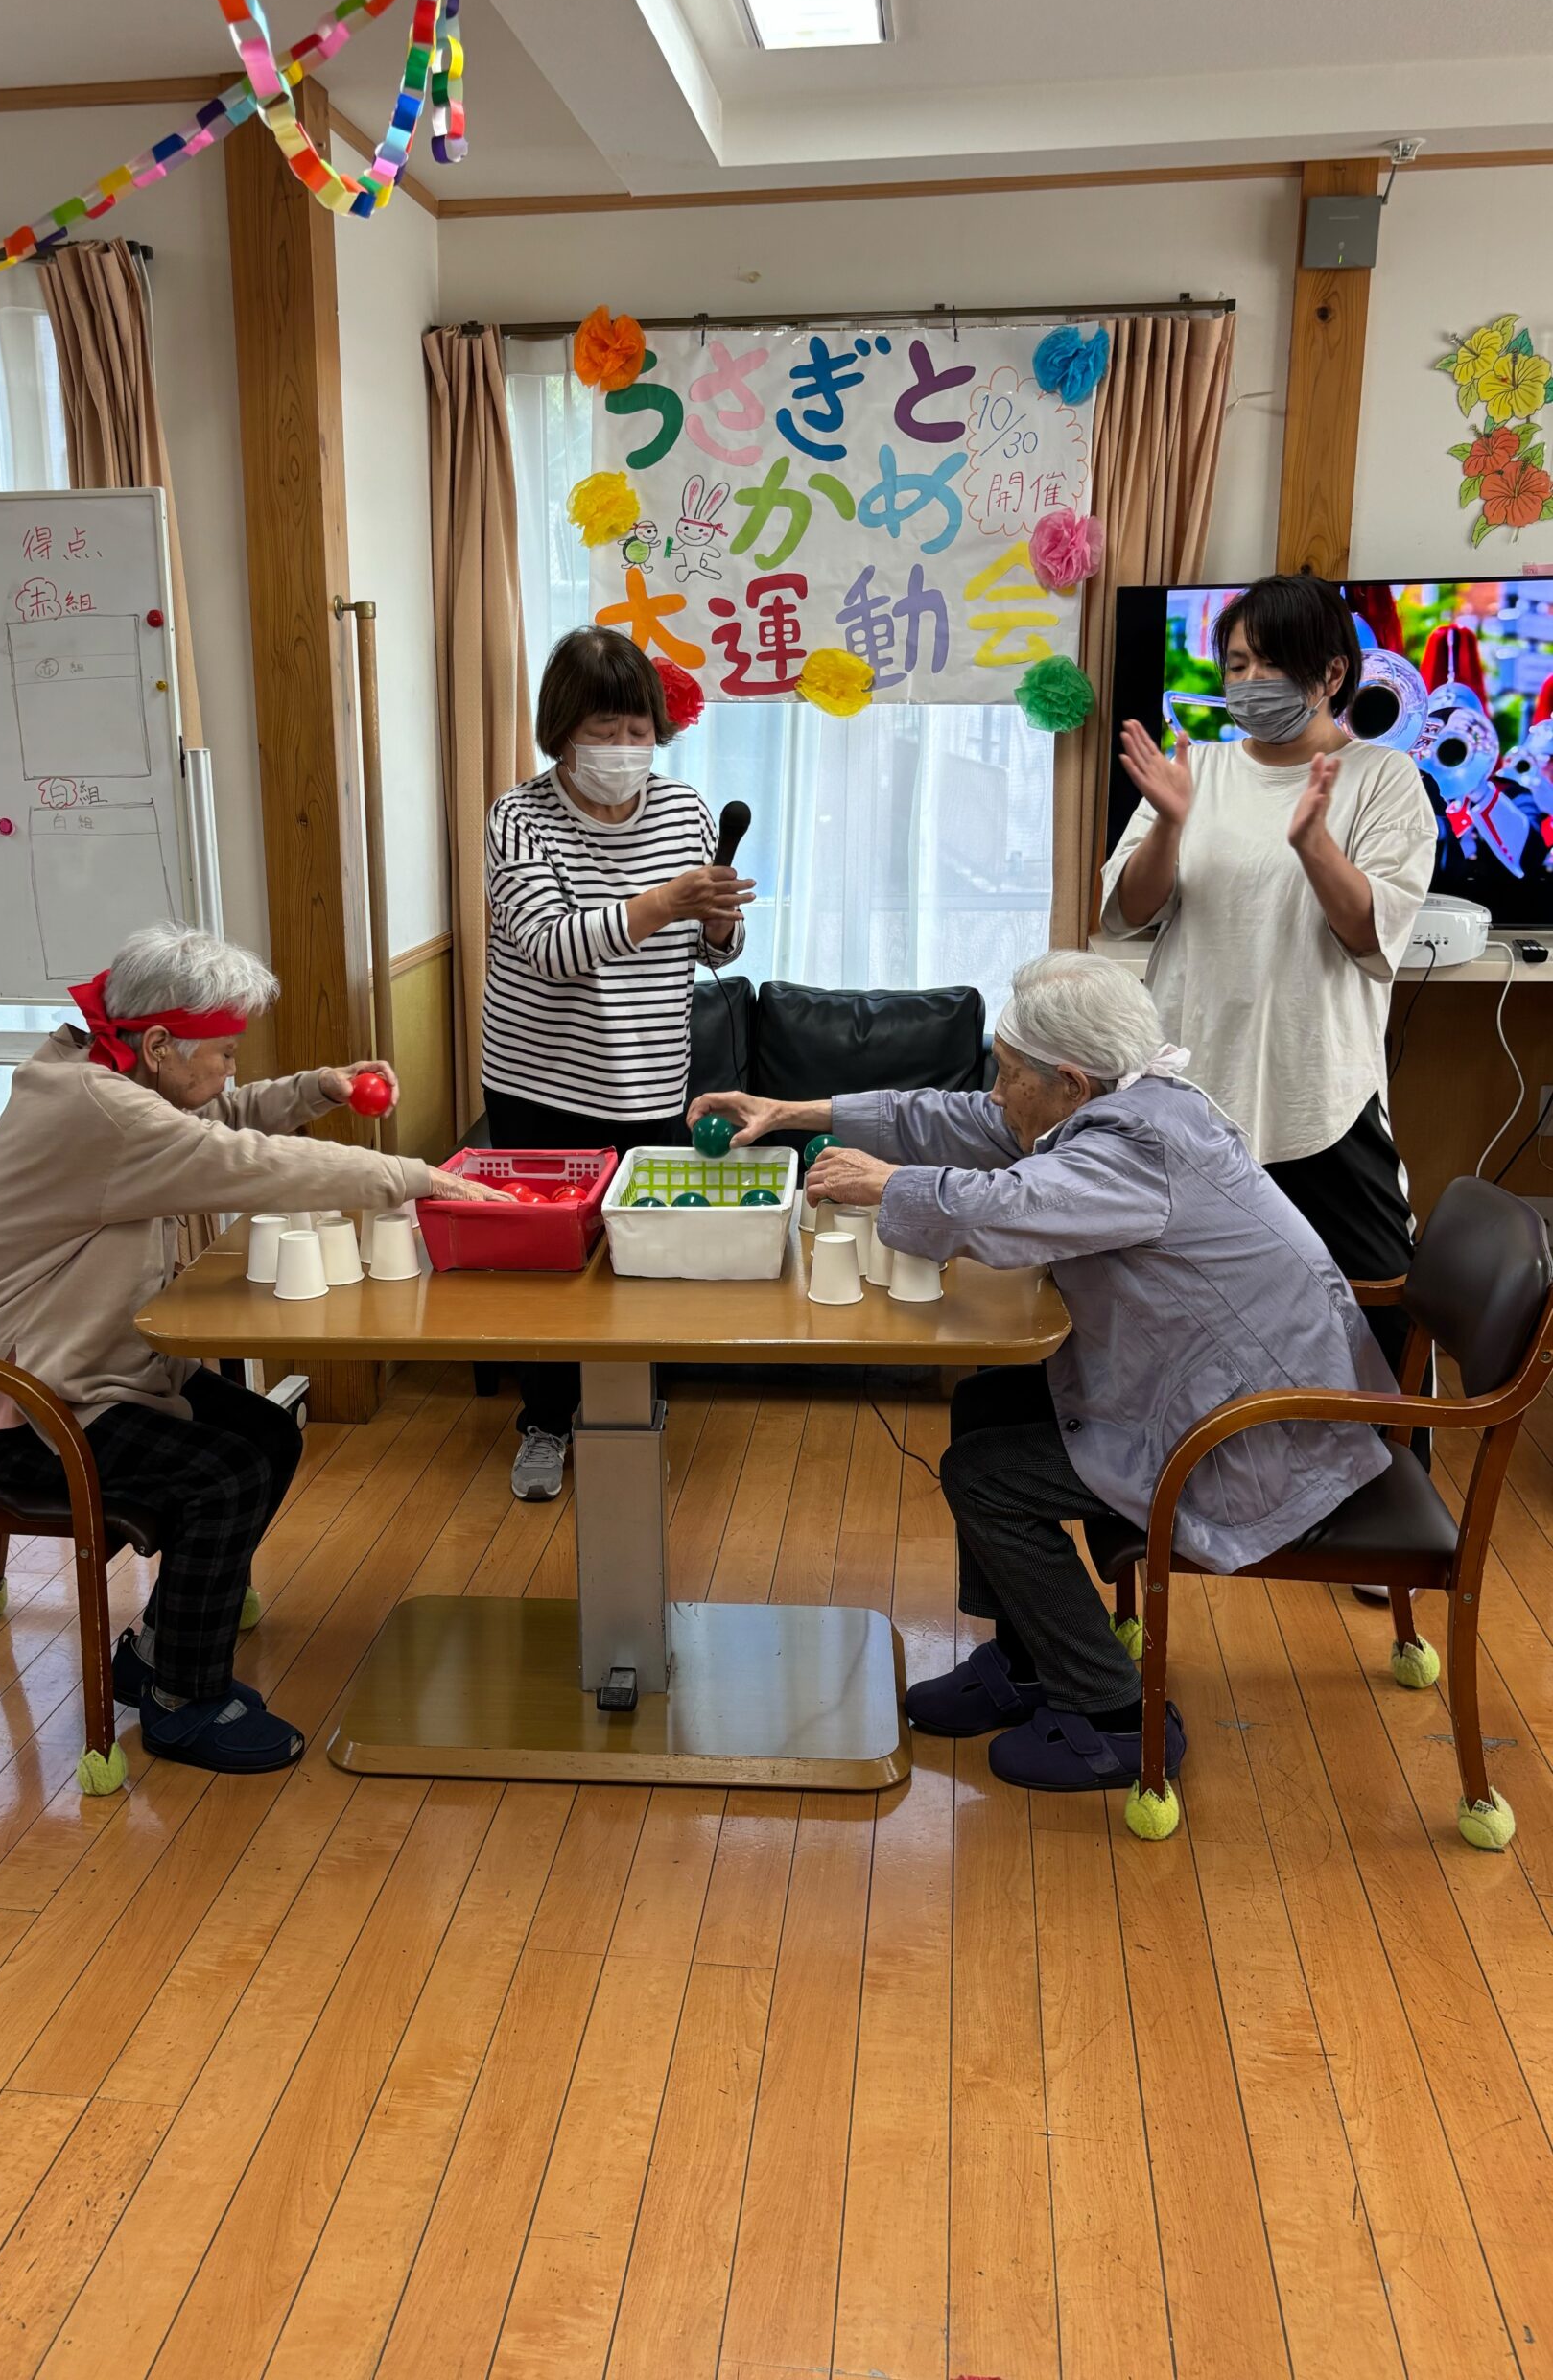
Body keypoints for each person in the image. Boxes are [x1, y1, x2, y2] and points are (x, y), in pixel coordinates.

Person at [690, 951, 1396, 1803]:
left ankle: (1116, 1714)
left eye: (1007, 1074)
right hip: (1210, 1388)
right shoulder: (1117, 1104)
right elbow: (953, 1119)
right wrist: (793, 1110)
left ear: (1068, 1081)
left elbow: (1008, 1208)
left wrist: (888, 1185)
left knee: (983, 1476)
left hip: (1255, 1434)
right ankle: (1027, 1658)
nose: (994, 1093)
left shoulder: (1133, 1149)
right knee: (987, 1404)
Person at [0, 920, 504, 1776]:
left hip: (94, 1369)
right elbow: (241, 1159)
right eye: (226, 1051)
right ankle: (182, 1703)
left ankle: (161, 1646)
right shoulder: (99, 1109)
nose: (232, 1069)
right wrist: (412, 1177)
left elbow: (216, 1117)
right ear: (160, 1044)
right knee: (224, 1475)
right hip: (28, 1407)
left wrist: (317, 1088)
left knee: (268, 1433)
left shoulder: (109, 1071)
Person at [1103, 574, 1436, 1372]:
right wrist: (1169, 825)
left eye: (1273, 662)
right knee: (1181, 1308)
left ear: (1331, 673)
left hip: (1321, 1097)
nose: (1250, 681)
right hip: (1189, 1092)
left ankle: (1394, 1452)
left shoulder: (1383, 779)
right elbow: (1125, 913)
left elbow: (1371, 936)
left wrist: (1314, 843)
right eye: (1238, 664)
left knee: (1376, 1308)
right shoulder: (1197, 770)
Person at [484, 624, 754, 1500]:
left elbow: (713, 951)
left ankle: (632, 1410)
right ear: (562, 730)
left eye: (640, 730)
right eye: (605, 729)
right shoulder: (518, 818)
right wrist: (667, 899)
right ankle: (543, 1422)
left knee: (646, 1256)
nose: (626, 747)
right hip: (540, 1082)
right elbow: (551, 948)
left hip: (649, 1079)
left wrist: (718, 923)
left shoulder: (684, 810)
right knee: (545, 1269)